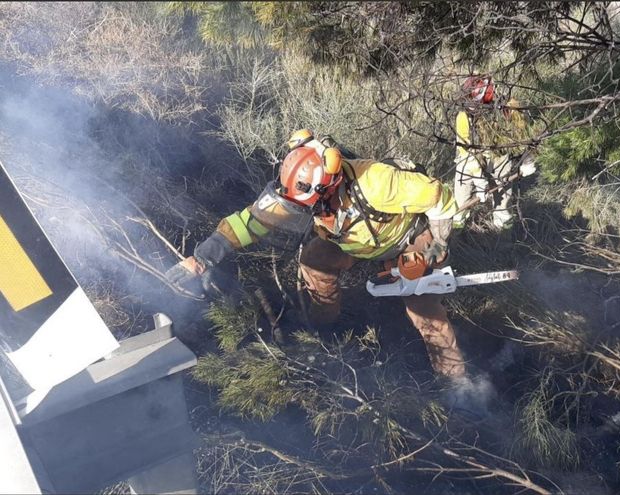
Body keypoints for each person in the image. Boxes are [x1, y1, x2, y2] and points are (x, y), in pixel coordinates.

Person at [165, 130, 466, 379]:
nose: (304, 214)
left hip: (406, 239)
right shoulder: (303, 192)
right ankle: (326, 328)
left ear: (331, 186)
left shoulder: (377, 183)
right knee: (314, 259)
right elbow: (252, 222)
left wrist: (435, 247)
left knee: (424, 309)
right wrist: (203, 257)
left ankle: (455, 382)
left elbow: (441, 197)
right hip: (355, 242)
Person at [453, 74, 536, 230]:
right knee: (461, 195)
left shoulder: (509, 108)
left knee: (503, 198)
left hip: (500, 156)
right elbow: (464, 149)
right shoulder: (463, 116)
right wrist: (478, 178)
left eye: (474, 104)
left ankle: (502, 234)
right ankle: (457, 230)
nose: (470, 107)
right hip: (471, 157)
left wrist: (527, 159)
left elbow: (524, 135)